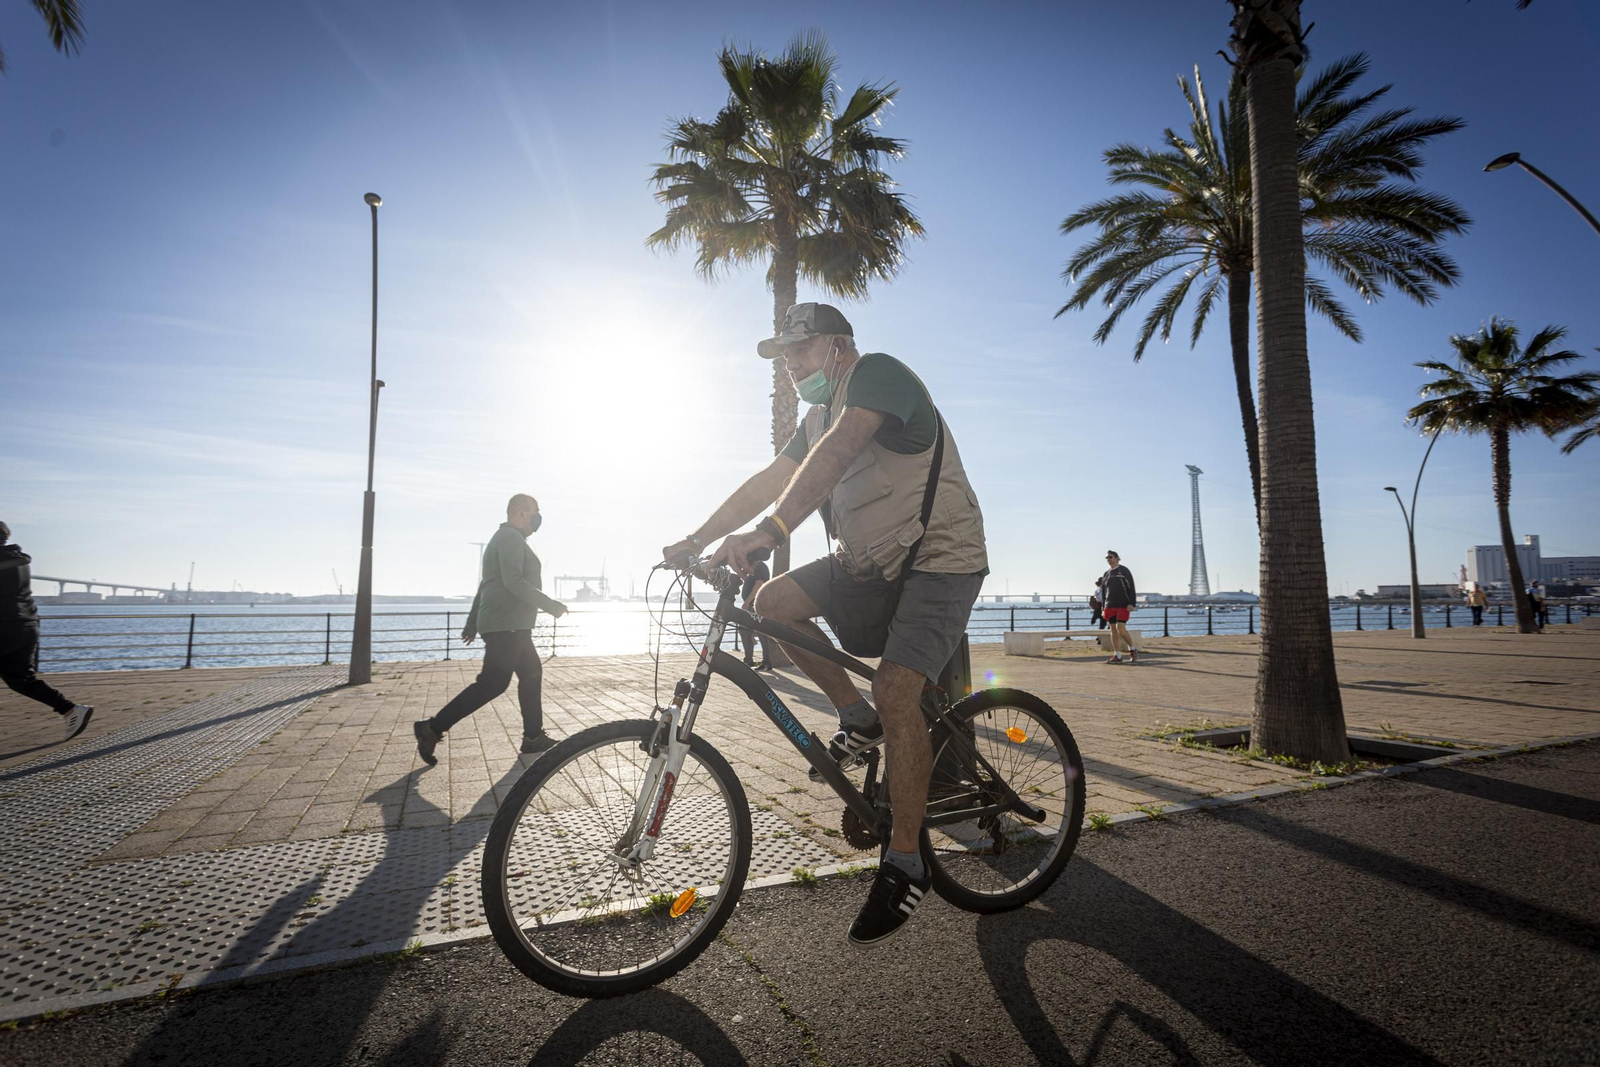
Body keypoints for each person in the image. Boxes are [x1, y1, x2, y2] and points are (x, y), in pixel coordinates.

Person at [662, 301, 987, 949]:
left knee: (897, 686)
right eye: (783, 359)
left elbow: (838, 455)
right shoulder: (816, 416)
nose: (791, 367)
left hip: (937, 558)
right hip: (868, 561)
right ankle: (855, 718)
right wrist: (697, 538)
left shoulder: (877, 376)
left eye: (800, 352)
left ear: (838, 347)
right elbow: (769, 480)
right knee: (773, 604)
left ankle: (906, 860)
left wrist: (770, 533)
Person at [414, 494, 568, 765]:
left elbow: (486, 584)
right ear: (520, 513)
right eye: (535, 512)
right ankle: (432, 728)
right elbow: (513, 582)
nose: (538, 517)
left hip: (511, 625)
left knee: (532, 673)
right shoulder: (509, 538)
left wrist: (473, 622)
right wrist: (551, 605)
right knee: (493, 683)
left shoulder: (506, 538)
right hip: (506, 624)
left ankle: (533, 737)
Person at [0, 521, 94, 740]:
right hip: (27, 626)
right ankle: (71, 710)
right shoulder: (18, 560)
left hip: (4, 627)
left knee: (21, 679)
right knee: (22, 680)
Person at [1098, 551, 1137, 664]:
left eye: (1111, 557)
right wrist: (1103, 609)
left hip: (1123, 605)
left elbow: (1131, 588)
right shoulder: (1106, 574)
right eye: (1107, 558)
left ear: (1117, 558)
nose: (1109, 559)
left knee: (1121, 629)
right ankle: (1117, 655)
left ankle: (1133, 649)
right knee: (1113, 630)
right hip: (1110, 605)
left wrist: (1132, 603)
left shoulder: (1124, 571)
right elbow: (1104, 592)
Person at [738, 559, 771, 670]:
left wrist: (747, 602)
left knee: (761, 633)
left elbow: (759, 585)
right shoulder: (752, 570)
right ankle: (749, 660)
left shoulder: (760, 567)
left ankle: (767, 662)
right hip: (750, 606)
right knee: (744, 630)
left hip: (755, 605)